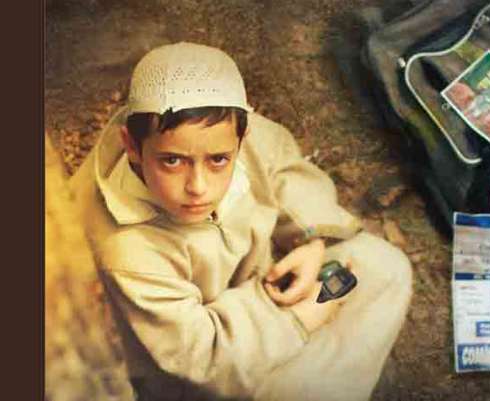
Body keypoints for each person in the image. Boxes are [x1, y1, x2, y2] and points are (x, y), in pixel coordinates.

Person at [68, 42, 412, 401]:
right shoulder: (125, 251)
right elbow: (199, 360)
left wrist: (309, 240)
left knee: (385, 268)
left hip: (259, 296)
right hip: (202, 366)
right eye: (172, 161)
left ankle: (340, 365)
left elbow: (280, 163)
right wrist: (296, 319)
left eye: (219, 160)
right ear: (132, 146)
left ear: (241, 139)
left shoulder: (216, 124)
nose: (198, 187)